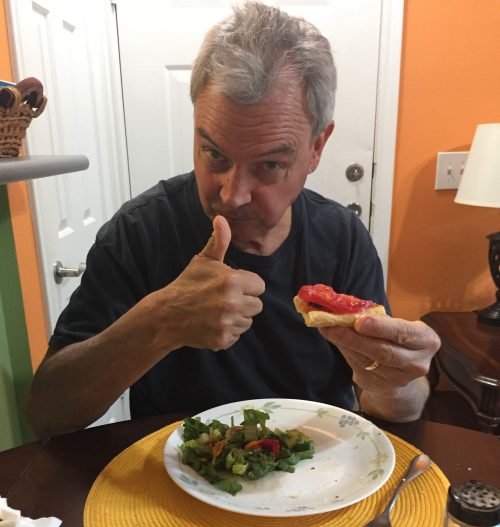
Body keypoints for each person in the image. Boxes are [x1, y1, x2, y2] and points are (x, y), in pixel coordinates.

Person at [26, 1, 440, 438]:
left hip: (315, 474)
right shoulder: (139, 232)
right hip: (173, 481)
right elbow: (48, 413)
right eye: (214, 154)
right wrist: (159, 322)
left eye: (270, 166)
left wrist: (396, 385)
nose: (232, 194)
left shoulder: (342, 238)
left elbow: (397, 409)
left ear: (317, 147)